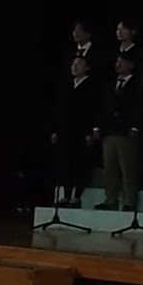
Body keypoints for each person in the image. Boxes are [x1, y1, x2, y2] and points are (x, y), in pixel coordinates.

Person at [92, 53, 143, 210]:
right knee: (110, 168)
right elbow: (101, 106)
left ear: (131, 65)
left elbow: (140, 108)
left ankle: (129, 201)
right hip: (109, 131)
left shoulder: (138, 85)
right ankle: (111, 199)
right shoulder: (110, 85)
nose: (118, 65)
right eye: (117, 61)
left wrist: (135, 127)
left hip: (126, 132)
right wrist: (97, 127)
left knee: (128, 168)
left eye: (122, 62)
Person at [50, 55, 98, 208]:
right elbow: (58, 109)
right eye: (73, 64)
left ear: (87, 67)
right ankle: (66, 195)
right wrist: (55, 130)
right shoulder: (67, 85)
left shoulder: (91, 86)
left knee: (80, 164)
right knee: (65, 163)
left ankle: (77, 196)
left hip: (82, 133)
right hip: (66, 130)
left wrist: (91, 131)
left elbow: (93, 110)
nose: (75, 67)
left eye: (79, 64)